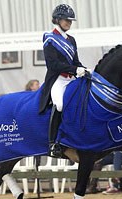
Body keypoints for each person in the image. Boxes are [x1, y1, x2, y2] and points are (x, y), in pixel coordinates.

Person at [39, 4, 88, 158]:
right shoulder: (49, 38)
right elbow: (52, 64)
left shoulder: (71, 40)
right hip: (58, 80)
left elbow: (75, 61)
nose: (68, 23)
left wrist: (84, 69)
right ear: (58, 19)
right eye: (66, 20)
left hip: (71, 79)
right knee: (59, 104)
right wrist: (74, 70)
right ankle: (52, 143)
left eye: (70, 21)